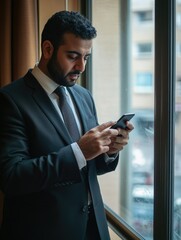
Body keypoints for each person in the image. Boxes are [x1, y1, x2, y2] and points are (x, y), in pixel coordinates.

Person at [0, 11, 134, 240]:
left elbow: (89, 168)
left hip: (93, 229)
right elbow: (12, 177)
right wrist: (79, 152)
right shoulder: (10, 99)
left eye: (86, 57)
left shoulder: (83, 96)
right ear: (48, 49)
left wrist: (109, 151)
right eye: (73, 56)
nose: (81, 66)